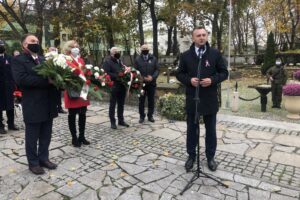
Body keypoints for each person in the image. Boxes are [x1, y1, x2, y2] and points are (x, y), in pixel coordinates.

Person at [176, 27, 228, 172]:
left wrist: (212, 80)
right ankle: (191, 156)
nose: (201, 37)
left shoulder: (215, 54)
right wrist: (189, 80)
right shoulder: (186, 55)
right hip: (193, 98)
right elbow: (179, 74)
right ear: (193, 38)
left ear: (207, 37)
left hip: (210, 99)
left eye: (204, 35)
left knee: (210, 130)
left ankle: (210, 157)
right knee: (192, 129)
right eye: (198, 35)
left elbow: (224, 73)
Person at [11, 34, 58, 175]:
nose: (35, 43)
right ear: (24, 44)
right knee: (32, 136)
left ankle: (44, 158)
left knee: (46, 134)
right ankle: (33, 163)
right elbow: (22, 80)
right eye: (32, 41)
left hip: (48, 103)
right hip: (33, 104)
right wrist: (47, 81)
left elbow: (53, 77)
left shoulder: (44, 59)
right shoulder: (18, 60)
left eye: (37, 41)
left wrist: (60, 81)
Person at [63, 40, 90, 147]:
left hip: (83, 89)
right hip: (72, 89)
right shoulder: (66, 59)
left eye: (77, 46)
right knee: (72, 114)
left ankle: (82, 136)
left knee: (83, 113)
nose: (76, 48)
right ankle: (74, 137)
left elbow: (85, 72)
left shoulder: (81, 59)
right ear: (69, 48)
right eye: (73, 47)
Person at [103, 47, 130, 129]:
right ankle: (112, 122)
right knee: (113, 104)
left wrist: (127, 73)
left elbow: (124, 70)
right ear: (111, 53)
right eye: (115, 52)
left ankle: (121, 120)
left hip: (122, 86)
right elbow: (106, 73)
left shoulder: (121, 61)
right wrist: (118, 76)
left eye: (118, 51)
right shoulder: (107, 62)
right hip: (113, 86)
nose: (117, 53)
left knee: (121, 104)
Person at [134, 44, 159, 123]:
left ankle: (150, 116)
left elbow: (157, 70)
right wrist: (141, 78)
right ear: (141, 50)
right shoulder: (137, 59)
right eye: (143, 48)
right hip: (141, 84)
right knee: (141, 101)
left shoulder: (154, 58)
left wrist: (152, 77)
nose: (145, 50)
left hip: (151, 83)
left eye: (146, 48)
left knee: (151, 100)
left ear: (149, 49)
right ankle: (142, 116)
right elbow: (135, 71)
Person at [0, 40, 19, 134]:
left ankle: (11, 124)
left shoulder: (10, 58)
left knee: (10, 106)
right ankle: (0, 126)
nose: (1, 47)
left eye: (2, 45)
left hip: (9, 87)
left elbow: (14, 72)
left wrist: (15, 86)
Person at [48, 47, 67, 114]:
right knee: (52, 95)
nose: (53, 51)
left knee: (58, 95)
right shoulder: (47, 58)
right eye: (51, 50)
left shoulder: (59, 58)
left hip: (58, 79)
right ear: (49, 51)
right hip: (50, 80)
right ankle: (52, 108)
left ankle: (59, 108)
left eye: (54, 50)